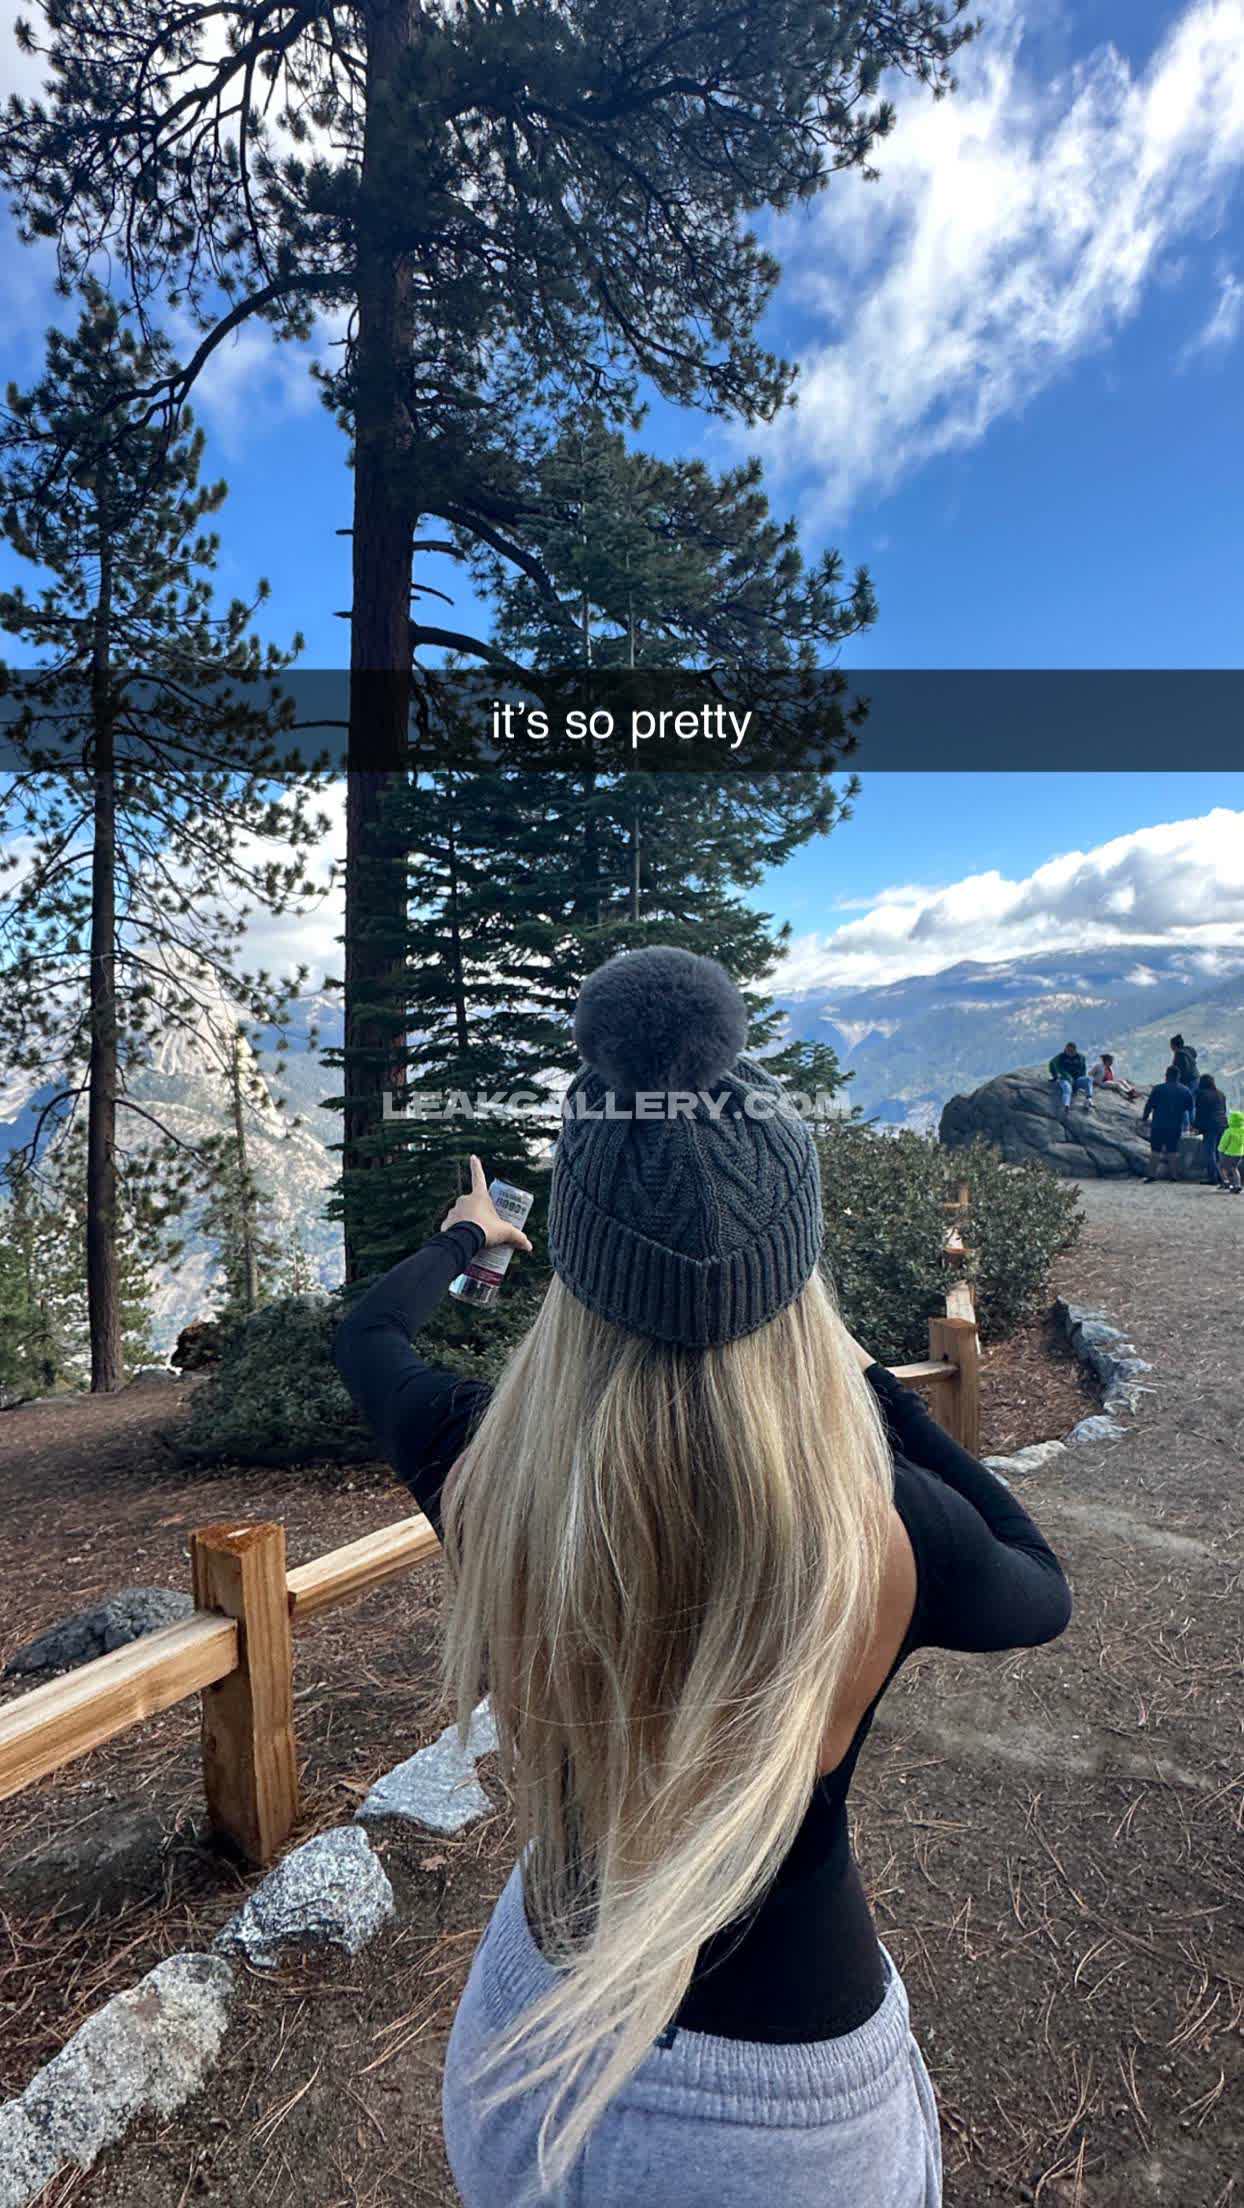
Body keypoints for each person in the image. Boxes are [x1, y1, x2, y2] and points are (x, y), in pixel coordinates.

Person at [334, 946, 1072, 2208]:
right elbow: (1037, 1585)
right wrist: (868, 1391)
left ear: (582, 1277)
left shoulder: (486, 1465)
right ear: (794, 1278)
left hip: (529, 2036)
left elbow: (365, 1333)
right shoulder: (885, 1529)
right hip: (789, 2130)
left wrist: (471, 1242)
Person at [1141, 1064, 1195, 1181]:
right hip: (1175, 1126)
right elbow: (1191, 1110)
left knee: (1155, 1150)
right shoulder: (1185, 1091)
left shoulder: (1158, 1089)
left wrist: (1144, 1119)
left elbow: (1149, 1105)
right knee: (1172, 1150)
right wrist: (1192, 1125)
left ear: (1167, 1076)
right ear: (1178, 1076)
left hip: (1158, 1125)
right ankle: (1174, 1176)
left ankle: (1151, 1175)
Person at [1193, 1075, 1229, 1186]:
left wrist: (1196, 1127)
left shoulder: (1202, 1094)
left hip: (1210, 1126)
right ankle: (1222, 1177)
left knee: (1209, 1153)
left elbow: (1200, 1113)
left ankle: (1213, 1178)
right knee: (1219, 1153)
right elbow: (1224, 1110)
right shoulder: (1221, 1094)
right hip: (1223, 1125)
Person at [1048, 1041, 1092, 1113]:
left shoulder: (1081, 1057)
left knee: (1089, 1079)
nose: (1069, 1052)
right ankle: (1066, 1105)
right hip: (1065, 1079)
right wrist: (1055, 1076)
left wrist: (1081, 1078)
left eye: (1071, 1051)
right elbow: (1052, 1063)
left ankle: (1088, 1099)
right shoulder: (1061, 1057)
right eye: (1068, 1050)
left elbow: (1083, 1069)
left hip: (1076, 1080)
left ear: (1075, 1050)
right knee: (1067, 1088)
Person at [1218, 1108, 1244, 1193]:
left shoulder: (1229, 1131)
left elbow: (1224, 1142)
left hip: (1229, 1153)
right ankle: (1238, 1185)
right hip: (1239, 1154)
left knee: (1221, 1166)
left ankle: (1226, 1182)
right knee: (1234, 1169)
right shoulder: (1243, 1131)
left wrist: (1220, 1150)